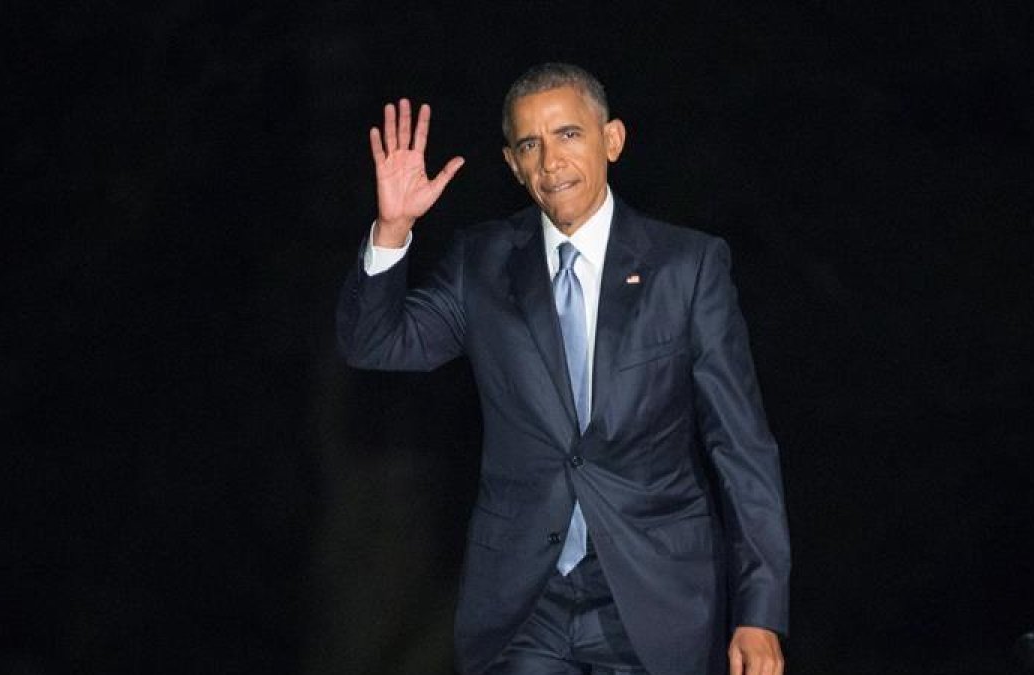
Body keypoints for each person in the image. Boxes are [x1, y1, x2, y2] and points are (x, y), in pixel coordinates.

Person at [337, 62, 790, 675]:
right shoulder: (484, 264)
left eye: (569, 135)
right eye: (530, 144)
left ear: (612, 140)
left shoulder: (688, 267)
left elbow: (741, 446)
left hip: (655, 595)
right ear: (513, 165)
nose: (551, 161)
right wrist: (392, 230)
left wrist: (758, 610)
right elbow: (374, 344)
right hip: (526, 602)